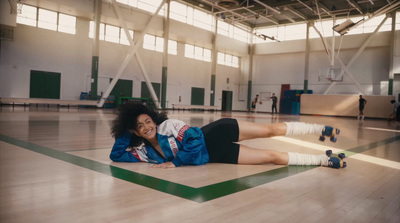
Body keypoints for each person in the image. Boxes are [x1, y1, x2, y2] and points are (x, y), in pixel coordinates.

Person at [109, 104, 345, 169]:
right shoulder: (145, 153)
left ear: (153, 119)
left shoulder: (169, 126)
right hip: (218, 155)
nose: (147, 127)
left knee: (269, 131)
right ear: (136, 131)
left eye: (147, 121)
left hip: (217, 132)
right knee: (271, 157)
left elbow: (195, 139)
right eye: (140, 126)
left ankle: (318, 128)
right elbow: (116, 155)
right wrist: (126, 131)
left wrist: (176, 161)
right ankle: (324, 160)